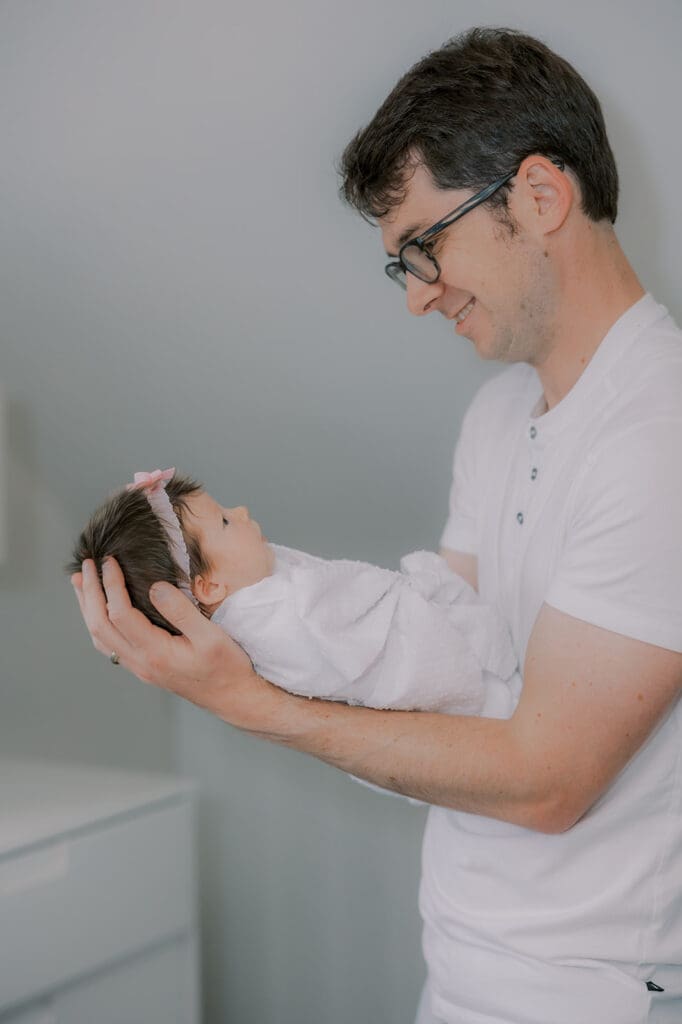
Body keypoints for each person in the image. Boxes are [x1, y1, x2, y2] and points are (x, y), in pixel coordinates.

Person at [72, 26, 682, 1024]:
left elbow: (546, 781)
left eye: (422, 247)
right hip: (466, 959)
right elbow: (435, 683)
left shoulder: (659, 432)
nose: (415, 297)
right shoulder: (496, 419)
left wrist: (251, 704)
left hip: (591, 991)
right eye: (397, 264)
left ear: (538, 196)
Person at [68, 467, 519, 721]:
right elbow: (350, 628)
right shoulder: (279, 619)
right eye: (225, 521)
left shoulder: (253, 601)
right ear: (207, 586)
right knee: (497, 689)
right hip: (446, 675)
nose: (241, 511)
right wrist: (415, 592)